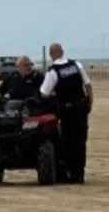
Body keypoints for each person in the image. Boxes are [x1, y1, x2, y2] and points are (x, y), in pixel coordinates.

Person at [39, 43, 93, 184]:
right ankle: (79, 174)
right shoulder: (76, 65)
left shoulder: (53, 71)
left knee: (67, 141)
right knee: (81, 142)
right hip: (81, 108)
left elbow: (44, 93)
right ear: (62, 52)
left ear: (51, 54)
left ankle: (68, 173)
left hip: (66, 110)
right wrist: (90, 103)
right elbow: (88, 85)